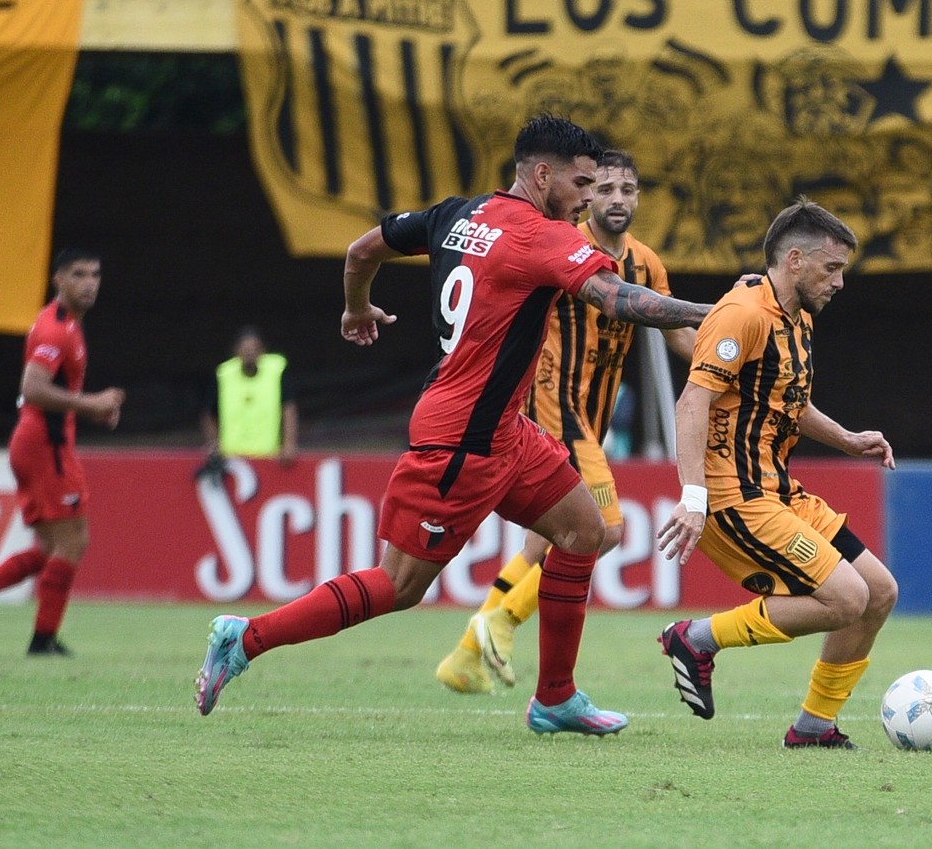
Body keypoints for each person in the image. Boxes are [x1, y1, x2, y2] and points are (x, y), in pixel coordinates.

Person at [193, 113, 711, 735]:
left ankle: (555, 698)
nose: (586, 200)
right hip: (463, 439)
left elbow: (363, 251)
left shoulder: (456, 215)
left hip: (507, 432)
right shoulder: (542, 237)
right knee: (400, 584)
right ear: (541, 175)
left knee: (584, 532)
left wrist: (356, 307)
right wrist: (719, 311)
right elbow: (617, 298)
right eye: (580, 184)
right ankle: (244, 638)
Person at [435, 149, 696, 694]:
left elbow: (677, 335)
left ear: (639, 196)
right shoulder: (562, 245)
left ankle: (465, 655)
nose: (617, 199)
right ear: (586, 196)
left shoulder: (646, 262)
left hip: (593, 417)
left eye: (627, 189)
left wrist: (728, 358)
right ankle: (501, 621)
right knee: (605, 531)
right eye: (604, 189)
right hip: (553, 408)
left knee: (544, 539)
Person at [656, 200, 898, 749]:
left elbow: (789, 402)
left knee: (879, 592)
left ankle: (814, 727)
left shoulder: (798, 318)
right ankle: (697, 638)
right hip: (732, 496)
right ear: (794, 259)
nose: (839, 282)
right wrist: (693, 497)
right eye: (830, 269)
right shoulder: (743, 313)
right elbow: (693, 402)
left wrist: (847, 440)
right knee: (845, 598)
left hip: (777, 489)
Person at [0, 248, 125, 657]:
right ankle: (42, 639)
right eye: (79, 274)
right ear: (58, 279)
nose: (89, 282)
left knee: (50, 548)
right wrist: (92, 403)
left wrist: (89, 410)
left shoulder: (69, 325)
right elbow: (33, 388)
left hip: (40, 443)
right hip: (45, 447)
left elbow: (54, 393)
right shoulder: (54, 330)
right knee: (73, 541)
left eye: (95, 273)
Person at [199, 327, 299, 466]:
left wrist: (289, 444)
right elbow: (209, 413)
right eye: (245, 349)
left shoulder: (276, 371)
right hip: (232, 457)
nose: (250, 353)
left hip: (269, 455)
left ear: (262, 351)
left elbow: (289, 409)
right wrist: (214, 444)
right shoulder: (224, 374)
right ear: (236, 352)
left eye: (254, 349)